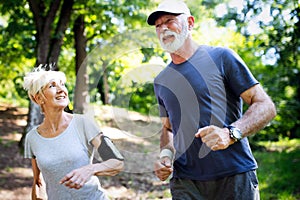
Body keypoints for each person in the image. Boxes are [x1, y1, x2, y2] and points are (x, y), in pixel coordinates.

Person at [147, 0, 276, 199]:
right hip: (185, 182)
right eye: (158, 26)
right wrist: (165, 157)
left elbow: (265, 105)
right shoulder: (161, 81)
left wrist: (231, 133)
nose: (163, 28)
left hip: (233, 175)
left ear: (190, 23)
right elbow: (169, 128)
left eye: (170, 21)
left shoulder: (221, 57)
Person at [23, 68, 124, 200]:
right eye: (52, 85)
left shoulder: (84, 123)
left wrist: (89, 169)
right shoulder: (32, 138)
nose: (61, 90)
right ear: (39, 98)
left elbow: (117, 162)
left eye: (62, 84)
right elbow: (38, 182)